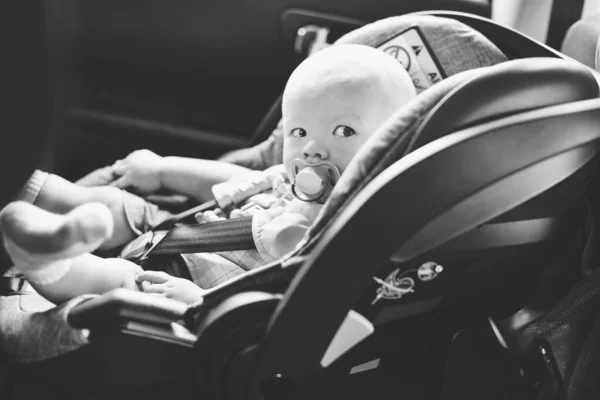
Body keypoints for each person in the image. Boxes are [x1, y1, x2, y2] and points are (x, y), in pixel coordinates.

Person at [0, 44, 417, 305]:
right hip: (176, 228)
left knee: (119, 282)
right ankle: (23, 195)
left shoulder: (351, 232)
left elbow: (286, 302)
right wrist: (162, 170)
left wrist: (201, 300)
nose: (312, 148)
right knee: (113, 204)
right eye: (299, 131)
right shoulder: (286, 180)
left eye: (344, 131)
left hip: (195, 281)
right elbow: (224, 182)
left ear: (393, 148)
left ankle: (43, 257)